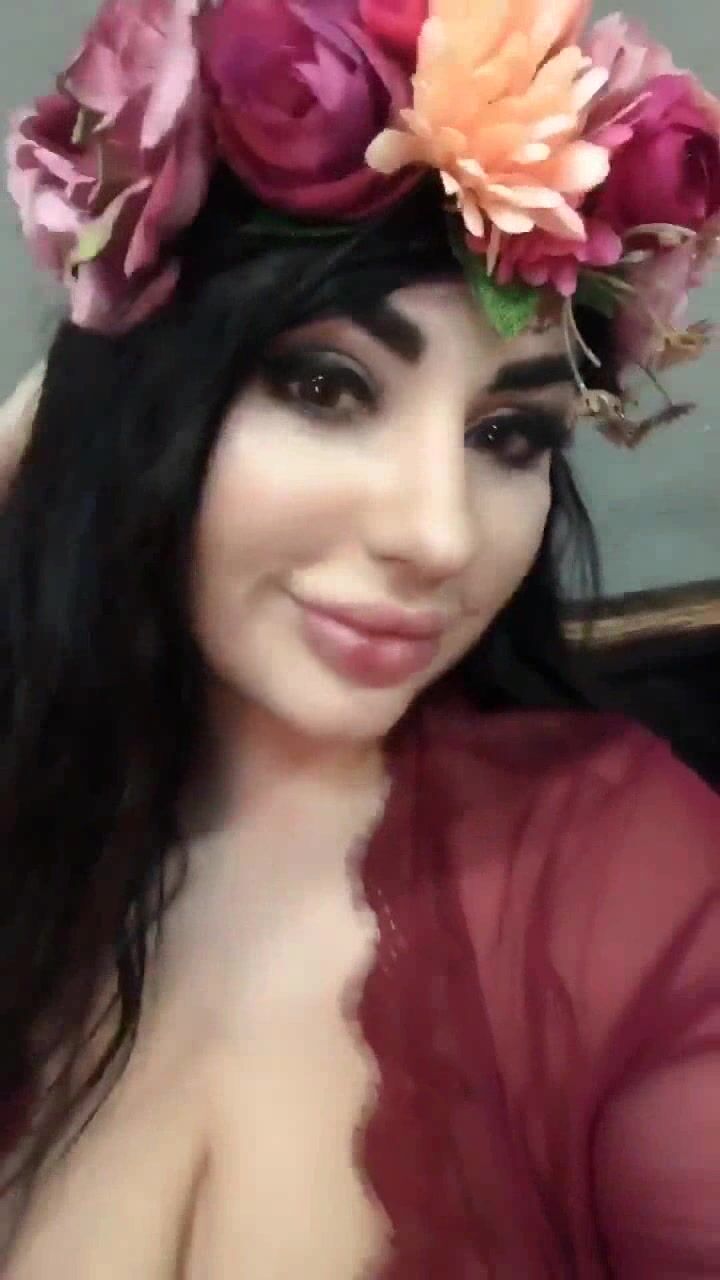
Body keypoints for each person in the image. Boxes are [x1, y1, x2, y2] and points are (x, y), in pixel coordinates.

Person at [1, 1, 719, 1275]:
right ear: (149, 396)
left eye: (509, 436)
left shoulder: (623, 870)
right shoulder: (30, 814)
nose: (439, 535)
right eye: (326, 386)